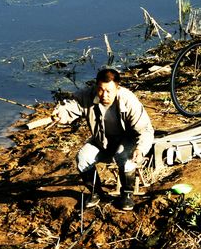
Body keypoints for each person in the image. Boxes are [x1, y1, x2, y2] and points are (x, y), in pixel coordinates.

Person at [51, 67, 154, 211]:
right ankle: (96, 193)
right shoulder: (87, 95)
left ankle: (127, 194)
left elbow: (146, 129)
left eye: (108, 91)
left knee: (124, 157)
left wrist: (140, 149)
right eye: (100, 90)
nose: (104, 95)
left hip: (126, 140)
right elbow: (72, 106)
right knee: (83, 158)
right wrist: (61, 113)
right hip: (102, 141)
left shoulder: (129, 100)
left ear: (117, 88)